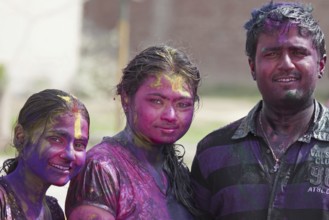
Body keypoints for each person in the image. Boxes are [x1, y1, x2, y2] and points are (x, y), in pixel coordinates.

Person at [191, 2, 327, 220]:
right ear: (252, 67)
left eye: (298, 52)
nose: (286, 64)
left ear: (321, 65)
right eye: (272, 54)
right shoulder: (213, 152)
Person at [65, 45, 201, 219]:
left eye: (182, 104)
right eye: (157, 101)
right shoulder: (102, 168)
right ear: (126, 98)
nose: (171, 116)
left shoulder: (176, 171)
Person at [0, 89, 90, 219]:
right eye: (56, 139)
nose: (70, 155)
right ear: (20, 136)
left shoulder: (53, 211)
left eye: (79, 145)